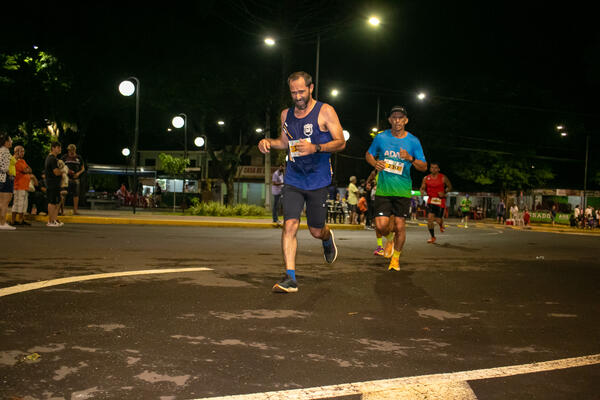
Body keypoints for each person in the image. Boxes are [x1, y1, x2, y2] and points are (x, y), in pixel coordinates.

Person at [257, 71, 345, 293]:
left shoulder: (325, 111)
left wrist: (316, 147)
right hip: (294, 177)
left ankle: (326, 237)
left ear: (311, 88)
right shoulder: (286, 114)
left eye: (301, 91)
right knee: (290, 225)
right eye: (293, 92)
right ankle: (290, 277)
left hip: (318, 179)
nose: (297, 96)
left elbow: (341, 142)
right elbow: (284, 142)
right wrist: (268, 142)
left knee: (316, 230)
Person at [365, 106, 427, 271]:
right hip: (384, 190)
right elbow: (368, 154)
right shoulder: (381, 137)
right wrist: (374, 163)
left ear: (406, 120)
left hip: (402, 190)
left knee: (400, 225)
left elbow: (423, 166)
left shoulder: (413, 141)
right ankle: (389, 239)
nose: (397, 120)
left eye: (401, 117)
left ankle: (395, 260)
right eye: (394, 117)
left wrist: (410, 158)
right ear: (390, 120)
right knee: (380, 226)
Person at [420, 162, 452, 244]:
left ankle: (441, 225)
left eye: (435, 168)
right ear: (430, 169)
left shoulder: (443, 178)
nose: (433, 169)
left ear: (438, 169)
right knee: (430, 220)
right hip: (431, 200)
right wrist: (422, 191)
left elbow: (450, 186)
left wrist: (444, 192)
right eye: (432, 167)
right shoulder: (426, 178)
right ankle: (433, 237)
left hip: (440, 201)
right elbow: (422, 187)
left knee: (438, 220)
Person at [11, 145, 33, 226]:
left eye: (23, 151)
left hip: (24, 186)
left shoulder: (22, 161)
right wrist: (26, 170)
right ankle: (15, 220)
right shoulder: (15, 160)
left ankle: (21, 219)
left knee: (23, 204)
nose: (23, 153)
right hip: (18, 186)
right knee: (18, 203)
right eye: (21, 151)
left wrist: (27, 170)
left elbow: (30, 169)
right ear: (16, 152)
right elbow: (25, 170)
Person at [44, 141, 64, 227]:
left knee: (58, 201)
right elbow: (56, 172)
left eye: (60, 147)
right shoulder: (52, 158)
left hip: (55, 183)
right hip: (52, 183)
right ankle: (50, 221)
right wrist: (63, 171)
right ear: (53, 148)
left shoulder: (53, 158)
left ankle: (54, 219)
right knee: (52, 202)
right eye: (58, 147)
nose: (60, 149)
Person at [62, 144, 85, 215]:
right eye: (70, 150)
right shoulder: (65, 157)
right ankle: (61, 210)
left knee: (76, 194)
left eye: (73, 150)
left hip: (76, 179)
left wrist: (78, 173)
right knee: (63, 194)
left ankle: (75, 210)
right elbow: (60, 165)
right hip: (66, 179)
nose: (71, 152)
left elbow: (83, 168)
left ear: (75, 150)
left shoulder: (79, 157)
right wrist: (66, 171)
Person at [0, 132, 15, 230]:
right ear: (6, 142)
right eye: (10, 140)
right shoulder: (5, 151)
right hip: (4, 178)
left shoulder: (2, 150)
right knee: (5, 202)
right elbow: (4, 167)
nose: (11, 142)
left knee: (2, 201)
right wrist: (10, 174)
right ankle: (2, 223)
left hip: (2, 178)